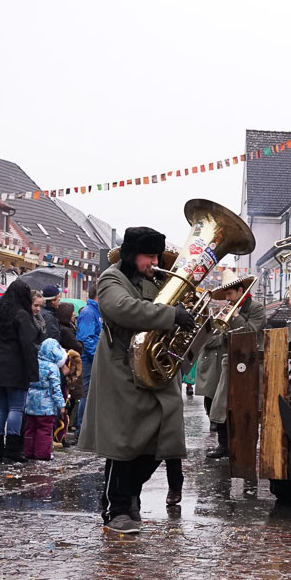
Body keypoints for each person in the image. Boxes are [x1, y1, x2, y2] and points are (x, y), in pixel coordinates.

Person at [77, 226, 194, 534]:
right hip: (122, 372)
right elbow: (121, 308)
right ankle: (116, 509)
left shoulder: (156, 281)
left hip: (153, 372)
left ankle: (129, 496)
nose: (154, 261)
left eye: (157, 255)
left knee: (160, 436)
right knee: (123, 443)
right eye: (148, 255)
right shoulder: (112, 278)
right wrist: (171, 315)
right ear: (131, 255)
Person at [196, 270, 265, 462]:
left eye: (229, 294)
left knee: (245, 407)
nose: (227, 299)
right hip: (228, 363)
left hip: (249, 364)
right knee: (221, 405)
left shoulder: (256, 308)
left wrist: (235, 316)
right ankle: (223, 445)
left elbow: (251, 331)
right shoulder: (228, 309)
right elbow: (217, 334)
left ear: (240, 291)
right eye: (225, 295)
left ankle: (243, 445)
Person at [0, 282, 40, 464]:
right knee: (16, 408)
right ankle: (12, 450)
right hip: (15, 364)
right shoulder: (22, 314)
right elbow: (27, 344)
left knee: (1, 408)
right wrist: (33, 370)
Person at [22, 338, 67, 461]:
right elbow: (55, 388)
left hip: (30, 402)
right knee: (44, 429)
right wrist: (61, 405)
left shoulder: (34, 363)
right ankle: (42, 453)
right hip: (46, 406)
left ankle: (28, 452)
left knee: (30, 428)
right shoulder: (52, 368)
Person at [74, 284, 101, 435]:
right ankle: (82, 430)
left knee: (92, 394)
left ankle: (86, 429)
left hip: (93, 358)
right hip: (89, 360)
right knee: (87, 394)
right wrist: (98, 355)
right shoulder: (89, 312)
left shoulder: (94, 311)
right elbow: (86, 338)